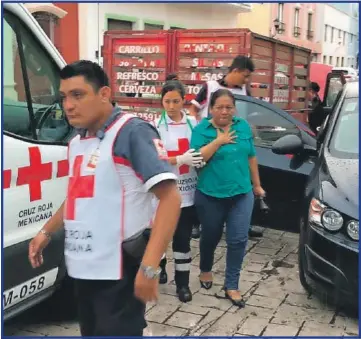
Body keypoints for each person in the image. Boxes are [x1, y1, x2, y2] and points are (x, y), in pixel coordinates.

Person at [28, 60, 181, 336]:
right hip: (85, 267)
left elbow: (170, 199)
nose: (68, 105)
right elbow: (77, 195)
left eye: (78, 95)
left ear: (105, 94)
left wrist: (149, 267)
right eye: (63, 97)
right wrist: (45, 232)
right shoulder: (77, 142)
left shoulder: (131, 132)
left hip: (119, 270)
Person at [190, 89, 265, 307]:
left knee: (238, 240)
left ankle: (232, 285)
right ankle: (205, 269)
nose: (224, 111)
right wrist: (219, 141)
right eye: (219, 107)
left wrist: (257, 186)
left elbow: (251, 156)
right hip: (210, 195)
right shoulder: (201, 129)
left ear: (234, 108)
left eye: (229, 107)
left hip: (241, 193)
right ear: (211, 108)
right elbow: (196, 159)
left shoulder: (242, 127)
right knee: (210, 237)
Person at [189, 55, 262, 239]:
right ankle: (197, 223)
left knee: (239, 180)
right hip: (211, 142)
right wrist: (200, 129)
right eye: (245, 76)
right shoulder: (210, 86)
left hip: (237, 139)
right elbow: (193, 109)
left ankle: (242, 224)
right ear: (235, 71)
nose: (247, 81)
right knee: (206, 183)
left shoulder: (244, 90)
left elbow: (249, 113)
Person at [153, 80, 205, 302]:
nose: (171, 105)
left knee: (183, 240)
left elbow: (204, 149)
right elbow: (155, 159)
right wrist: (179, 159)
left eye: (176, 101)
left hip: (188, 194)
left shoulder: (194, 124)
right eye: (167, 101)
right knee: (162, 238)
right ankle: (161, 268)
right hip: (164, 193)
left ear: (183, 100)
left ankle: (182, 285)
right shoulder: (156, 126)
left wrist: (201, 159)